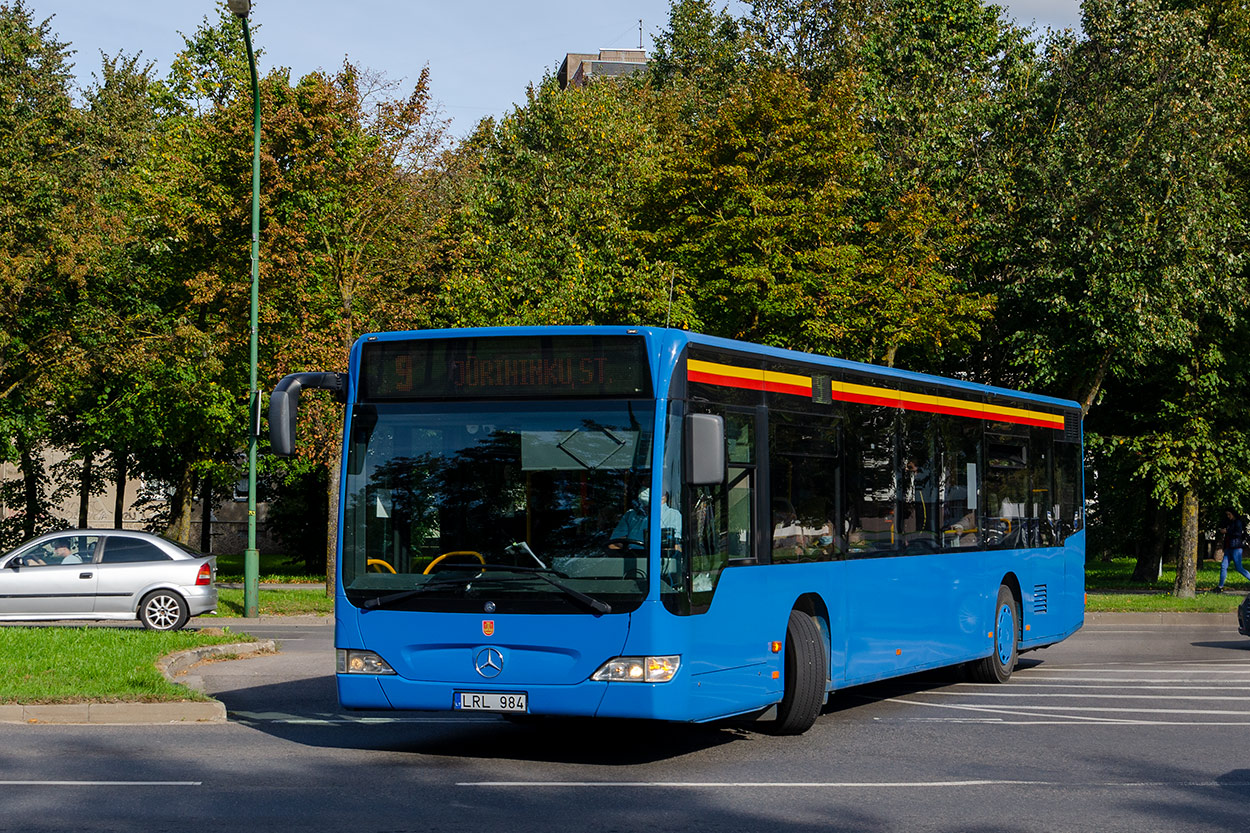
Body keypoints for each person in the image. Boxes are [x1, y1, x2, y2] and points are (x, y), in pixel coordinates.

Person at [1216, 508, 1250, 592]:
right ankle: (1220, 586)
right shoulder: (1229, 523)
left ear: (1233, 514)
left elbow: (1238, 534)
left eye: (1229, 514)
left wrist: (1227, 531)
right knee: (1223, 566)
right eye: (1227, 515)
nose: (1228, 516)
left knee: (1239, 568)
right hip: (1228, 548)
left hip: (1236, 548)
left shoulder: (1238, 522)